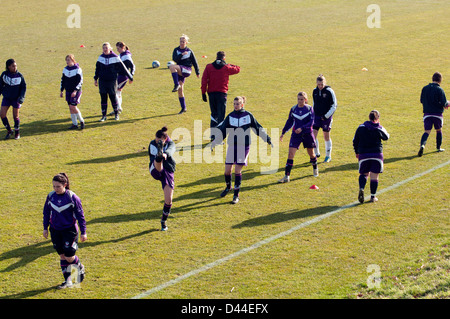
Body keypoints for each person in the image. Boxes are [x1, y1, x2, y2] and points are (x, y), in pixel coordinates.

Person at [211, 96, 272, 204]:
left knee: (237, 170)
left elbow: (258, 128)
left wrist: (267, 139)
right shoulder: (230, 116)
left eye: (238, 104)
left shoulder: (248, 116)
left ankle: (236, 195)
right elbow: (223, 131)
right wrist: (215, 141)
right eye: (234, 104)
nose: (235, 105)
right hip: (232, 145)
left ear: (242, 104)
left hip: (244, 146)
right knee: (227, 171)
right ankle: (228, 187)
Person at [42, 173, 87, 289]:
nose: (55, 189)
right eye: (54, 186)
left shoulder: (72, 197)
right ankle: (68, 281)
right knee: (62, 256)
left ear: (65, 185)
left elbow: (80, 215)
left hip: (69, 230)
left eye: (58, 186)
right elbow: (46, 212)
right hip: (55, 230)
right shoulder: (51, 196)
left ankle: (79, 267)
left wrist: (84, 232)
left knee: (69, 257)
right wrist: (45, 228)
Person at [278, 92, 318, 183]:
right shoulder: (293, 109)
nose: (300, 101)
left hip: (307, 133)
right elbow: (289, 121)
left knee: (311, 153)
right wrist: (283, 132)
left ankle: (315, 167)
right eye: (298, 99)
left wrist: (302, 128)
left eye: (302, 99)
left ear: (305, 100)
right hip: (296, 134)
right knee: (290, 154)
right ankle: (286, 176)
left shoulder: (309, 109)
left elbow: (311, 122)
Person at [353, 110, 390, 203]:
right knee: (374, 176)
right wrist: (379, 125)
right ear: (377, 118)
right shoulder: (379, 128)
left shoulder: (361, 127)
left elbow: (355, 140)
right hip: (377, 154)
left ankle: (361, 188)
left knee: (364, 174)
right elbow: (387, 137)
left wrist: (357, 152)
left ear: (369, 118)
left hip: (363, 154)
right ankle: (373, 197)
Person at [201, 51, 240, 137]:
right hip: (222, 94)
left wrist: (203, 92)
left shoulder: (209, 67)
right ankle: (218, 136)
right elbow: (238, 69)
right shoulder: (226, 67)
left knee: (214, 114)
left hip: (211, 94)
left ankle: (212, 135)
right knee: (221, 115)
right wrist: (228, 64)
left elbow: (204, 80)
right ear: (224, 58)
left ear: (216, 57)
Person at [94, 42, 133, 122]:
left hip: (112, 81)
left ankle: (116, 114)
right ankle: (103, 116)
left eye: (107, 48)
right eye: (104, 48)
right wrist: (95, 79)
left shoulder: (115, 57)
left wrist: (130, 77)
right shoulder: (100, 58)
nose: (105, 49)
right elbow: (97, 69)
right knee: (103, 98)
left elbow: (123, 68)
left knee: (113, 98)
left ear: (110, 48)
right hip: (102, 81)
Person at [148, 127, 176, 231]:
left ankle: (163, 221)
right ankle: (159, 157)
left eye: (158, 141)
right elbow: (151, 157)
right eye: (156, 140)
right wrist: (160, 156)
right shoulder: (152, 144)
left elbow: (171, 149)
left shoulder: (171, 143)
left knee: (168, 200)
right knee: (158, 161)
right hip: (155, 168)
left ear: (164, 139)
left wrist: (166, 154)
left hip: (168, 171)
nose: (155, 141)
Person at [418, 72, 449, 156]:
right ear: (440, 80)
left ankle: (422, 145)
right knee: (438, 130)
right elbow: (444, 103)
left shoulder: (424, 88)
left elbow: (421, 100)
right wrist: (447, 103)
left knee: (427, 131)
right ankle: (438, 148)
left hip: (427, 114)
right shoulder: (440, 90)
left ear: (432, 79)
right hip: (437, 114)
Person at [169, 34, 200, 114]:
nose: (182, 43)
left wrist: (197, 72)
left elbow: (194, 62)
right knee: (180, 90)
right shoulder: (176, 50)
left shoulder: (189, 51)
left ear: (186, 42)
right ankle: (183, 108)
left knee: (172, 67)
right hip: (180, 70)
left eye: (183, 41)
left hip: (187, 70)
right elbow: (174, 59)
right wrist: (181, 55)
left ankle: (176, 84)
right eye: (181, 41)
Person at [312, 74, 337, 163]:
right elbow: (314, 103)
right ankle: (316, 153)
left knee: (326, 136)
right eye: (319, 84)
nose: (320, 86)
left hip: (326, 118)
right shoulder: (315, 91)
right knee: (313, 135)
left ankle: (328, 156)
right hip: (316, 117)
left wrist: (326, 116)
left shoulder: (329, 91)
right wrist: (313, 114)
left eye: (322, 84)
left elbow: (334, 106)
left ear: (325, 83)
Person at [0, 59, 26, 140]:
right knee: (2, 114)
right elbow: (0, 86)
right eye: (13, 66)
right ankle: (9, 130)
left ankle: (17, 132)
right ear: (8, 67)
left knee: (15, 117)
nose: (15, 67)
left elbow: (23, 88)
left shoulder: (19, 76)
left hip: (16, 99)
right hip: (7, 98)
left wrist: (21, 98)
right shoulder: (4, 75)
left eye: (15, 66)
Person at [109, 41, 136, 115]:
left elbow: (133, 66)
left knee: (114, 91)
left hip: (123, 76)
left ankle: (118, 108)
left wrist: (131, 76)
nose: (117, 50)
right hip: (119, 75)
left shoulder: (126, 56)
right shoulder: (121, 54)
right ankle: (118, 108)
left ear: (123, 48)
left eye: (118, 48)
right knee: (118, 91)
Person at [60, 54, 85, 130]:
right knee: (70, 108)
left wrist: (75, 91)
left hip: (76, 91)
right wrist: (61, 90)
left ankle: (81, 121)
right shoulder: (65, 69)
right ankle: (74, 124)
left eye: (68, 60)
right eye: (66, 60)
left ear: (73, 60)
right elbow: (63, 80)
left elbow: (80, 81)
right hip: (68, 91)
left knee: (73, 106)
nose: (67, 62)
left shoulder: (78, 69)